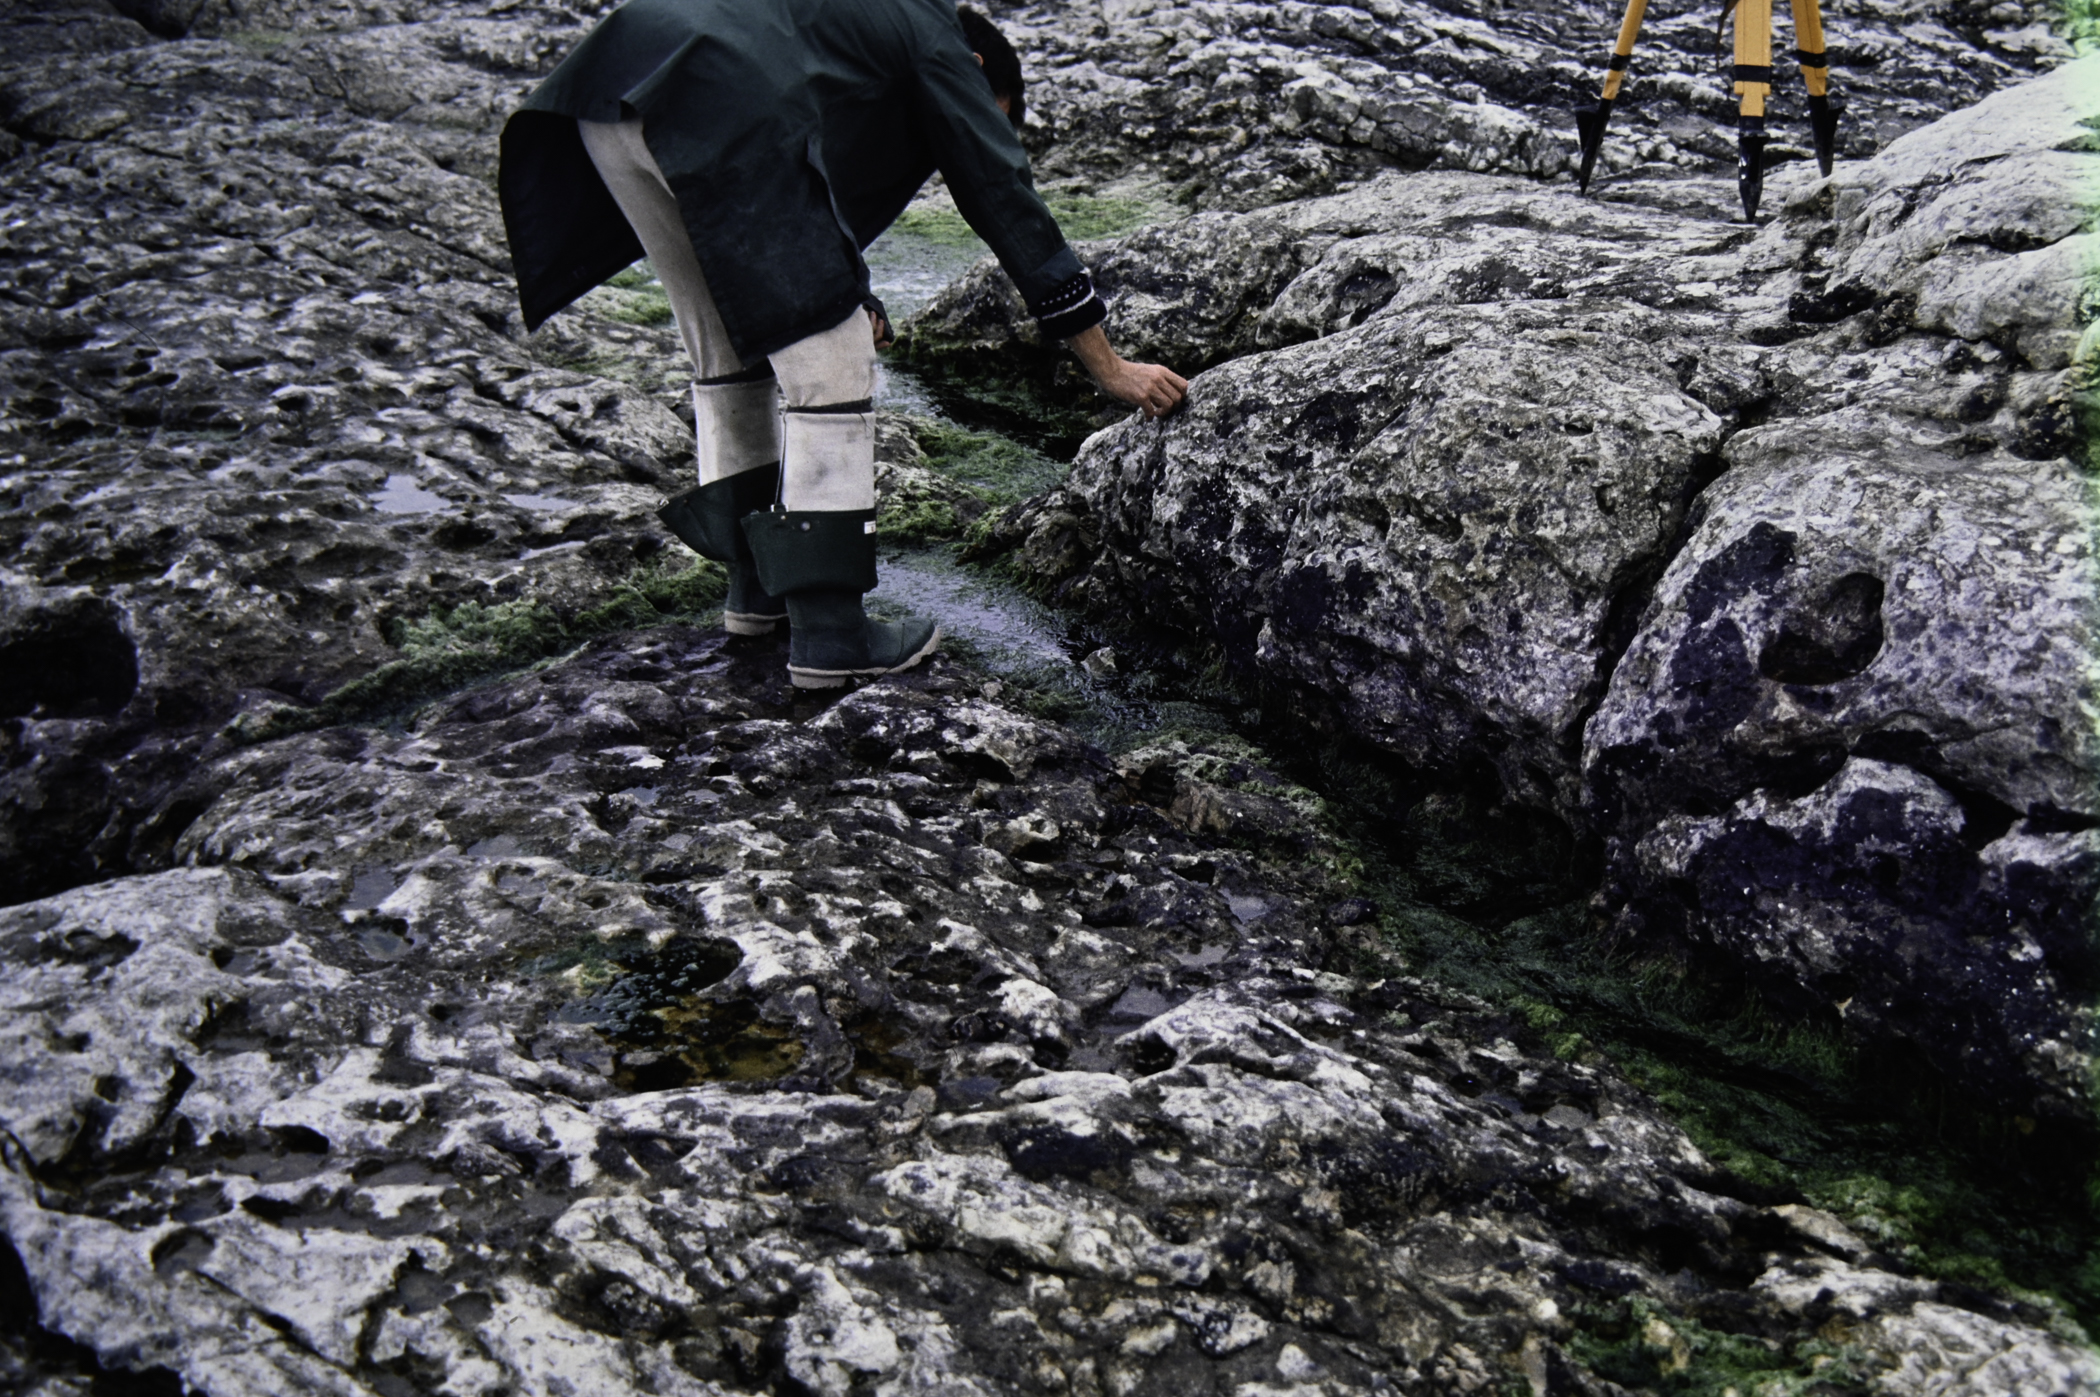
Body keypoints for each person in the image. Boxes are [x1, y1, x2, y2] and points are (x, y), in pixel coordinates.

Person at [498, 0, 1187, 689]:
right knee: (833, 363)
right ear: (979, 74)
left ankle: (757, 593)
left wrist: (849, 287)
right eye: (990, 112)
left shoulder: (861, 22)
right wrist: (1109, 365)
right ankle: (832, 635)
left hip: (613, 90)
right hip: (719, 94)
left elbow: (809, 186)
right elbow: (1001, 192)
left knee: (729, 355)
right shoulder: (938, 40)